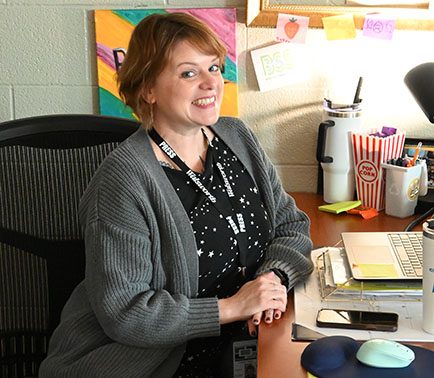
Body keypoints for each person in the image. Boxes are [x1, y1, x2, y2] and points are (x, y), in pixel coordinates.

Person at [39, 12, 313, 378]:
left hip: (246, 347)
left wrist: (271, 281)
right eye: (189, 73)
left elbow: (291, 225)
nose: (210, 84)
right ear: (148, 89)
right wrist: (234, 307)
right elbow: (127, 313)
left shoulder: (237, 136)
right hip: (147, 366)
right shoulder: (123, 180)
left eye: (214, 68)